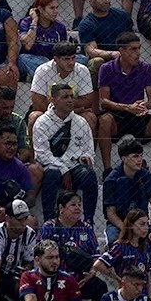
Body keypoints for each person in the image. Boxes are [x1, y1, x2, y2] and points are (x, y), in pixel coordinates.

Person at [97, 33, 151, 183]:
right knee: (104, 120)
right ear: (122, 51)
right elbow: (103, 101)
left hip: (137, 115)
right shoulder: (106, 68)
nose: (137, 53)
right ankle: (107, 170)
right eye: (133, 49)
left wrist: (142, 106)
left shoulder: (145, 68)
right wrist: (126, 107)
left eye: (139, 49)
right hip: (116, 115)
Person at [33, 83, 99, 220]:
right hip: (53, 167)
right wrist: (63, 169)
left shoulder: (81, 122)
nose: (70, 100)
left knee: (89, 175)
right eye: (65, 97)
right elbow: (42, 154)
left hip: (75, 167)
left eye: (71, 96)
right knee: (52, 173)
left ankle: (88, 221)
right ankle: (49, 221)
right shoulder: (41, 123)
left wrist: (86, 157)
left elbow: (89, 150)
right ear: (53, 100)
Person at [39, 190, 106, 301]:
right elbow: (40, 255)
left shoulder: (86, 228)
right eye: (73, 205)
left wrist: (92, 273)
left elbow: (96, 255)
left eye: (79, 205)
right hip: (56, 278)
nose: (78, 208)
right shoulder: (49, 227)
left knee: (100, 286)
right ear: (61, 207)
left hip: (81, 279)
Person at [101, 137, 151, 252]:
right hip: (119, 224)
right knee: (115, 244)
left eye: (141, 155)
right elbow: (110, 213)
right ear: (124, 159)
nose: (140, 160)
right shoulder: (111, 180)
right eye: (135, 156)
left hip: (141, 223)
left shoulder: (145, 176)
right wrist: (127, 229)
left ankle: (145, 269)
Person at [28, 40, 97, 135]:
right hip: (48, 114)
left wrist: (60, 104)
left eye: (73, 58)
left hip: (74, 114)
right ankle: (34, 150)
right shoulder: (42, 70)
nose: (71, 62)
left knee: (90, 118)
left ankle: (89, 150)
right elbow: (37, 102)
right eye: (66, 59)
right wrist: (68, 107)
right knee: (34, 116)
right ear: (56, 59)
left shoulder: (82, 70)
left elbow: (87, 100)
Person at [0, 199, 39, 301]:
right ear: (8, 218)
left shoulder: (30, 234)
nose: (23, 223)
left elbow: (29, 263)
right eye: (20, 219)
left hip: (12, 274)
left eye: (25, 219)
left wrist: (24, 271)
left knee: (28, 284)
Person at [19, 239, 86, 301]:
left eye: (57, 257)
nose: (55, 261)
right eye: (50, 258)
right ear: (37, 260)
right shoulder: (29, 276)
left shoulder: (69, 279)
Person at [18, 0, 68, 79]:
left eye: (57, 7)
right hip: (32, 59)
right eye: (52, 8)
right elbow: (28, 45)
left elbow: (63, 53)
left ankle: (46, 76)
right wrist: (34, 21)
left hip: (53, 61)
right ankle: (51, 78)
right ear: (40, 9)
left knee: (81, 59)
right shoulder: (26, 22)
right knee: (23, 58)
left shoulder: (60, 27)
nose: (56, 11)